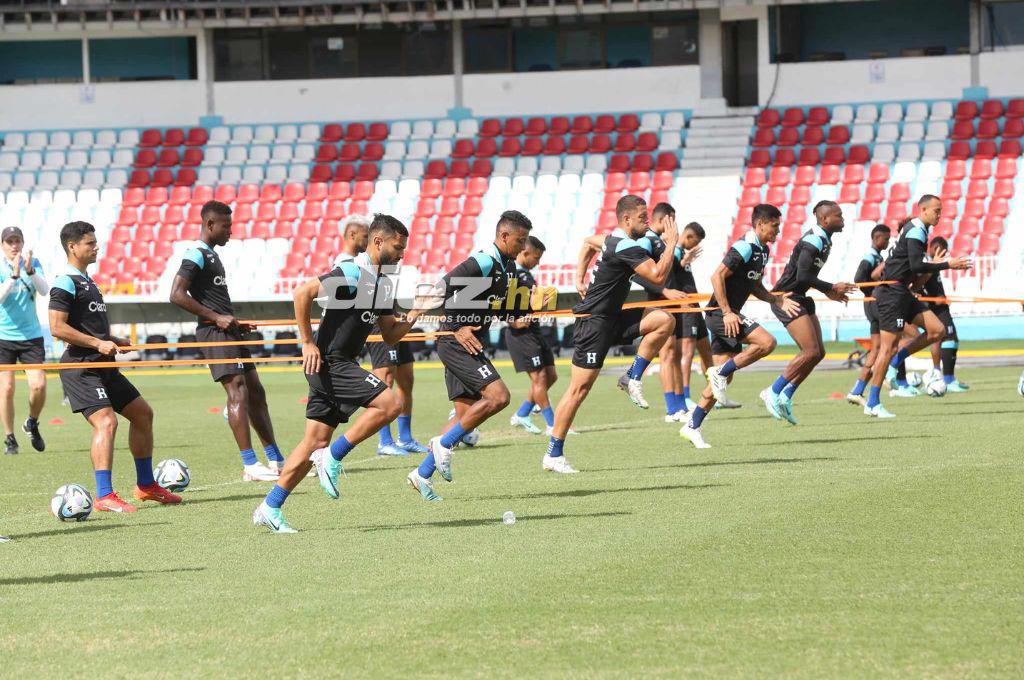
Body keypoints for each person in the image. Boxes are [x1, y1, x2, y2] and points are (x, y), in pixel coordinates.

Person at [252, 214, 422, 533]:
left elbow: (389, 335)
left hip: (336, 365)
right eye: (398, 247)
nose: (402, 254)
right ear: (377, 242)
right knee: (391, 404)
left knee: (313, 442)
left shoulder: (384, 284)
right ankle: (333, 456)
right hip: (330, 363)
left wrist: (415, 312)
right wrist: (307, 343)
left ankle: (269, 507)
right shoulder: (352, 271)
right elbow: (302, 293)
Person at [48, 221, 181, 512]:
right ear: (72, 247)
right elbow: (57, 327)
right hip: (81, 368)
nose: (96, 247)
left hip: (103, 365)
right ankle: (104, 495)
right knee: (106, 422)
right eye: (90, 243)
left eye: (95, 242)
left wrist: (111, 339)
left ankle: (146, 486)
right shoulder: (65, 281)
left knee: (143, 414)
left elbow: (86, 326)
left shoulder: (89, 281)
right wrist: (97, 343)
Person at [545, 195, 678, 472]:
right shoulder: (625, 246)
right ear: (626, 219)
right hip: (593, 324)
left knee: (664, 321)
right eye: (642, 217)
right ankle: (553, 454)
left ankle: (631, 377)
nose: (648, 222)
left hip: (613, 317)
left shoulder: (612, 240)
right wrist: (671, 244)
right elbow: (657, 277)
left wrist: (579, 278)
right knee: (578, 391)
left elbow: (587, 242)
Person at [407, 210, 532, 500]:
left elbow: (500, 308)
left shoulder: (508, 267)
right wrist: (452, 326)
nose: (523, 246)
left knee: (465, 418)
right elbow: (442, 288)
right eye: (520, 240)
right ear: (504, 236)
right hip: (456, 343)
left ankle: (421, 474)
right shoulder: (485, 260)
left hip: (470, 342)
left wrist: (524, 313)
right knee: (499, 397)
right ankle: (441, 444)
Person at [169, 200, 284, 482]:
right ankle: (250, 465)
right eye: (226, 226)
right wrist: (216, 318)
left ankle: (276, 460)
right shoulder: (196, 254)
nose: (230, 231)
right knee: (238, 392)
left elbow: (213, 301)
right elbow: (176, 294)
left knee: (256, 392)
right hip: (214, 332)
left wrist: (233, 321)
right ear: (210, 224)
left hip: (228, 331)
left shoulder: (212, 255)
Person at [680, 204, 800, 449]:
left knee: (723, 381)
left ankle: (692, 426)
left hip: (729, 315)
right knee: (767, 342)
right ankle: (719, 372)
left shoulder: (763, 250)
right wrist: (727, 313)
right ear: (760, 224)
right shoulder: (745, 246)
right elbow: (716, 276)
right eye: (775, 226)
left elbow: (754, 285)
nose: (778, 231)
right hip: (720, 314)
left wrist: (775, 299)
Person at [863, 196, 972, 418]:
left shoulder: (918, 229)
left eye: (940, 211)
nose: (939, 215)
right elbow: (915, 265)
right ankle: (872, 402)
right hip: (893, 293)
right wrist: (947, 264)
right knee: (887, 349)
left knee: (937, 330)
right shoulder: (916, 230)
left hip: (903, 292)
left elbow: (911, 267)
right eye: (936, 210)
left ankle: (895, 363)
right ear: (923, 210)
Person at [334, 215, 427, 457]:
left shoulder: (379, 271)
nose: (368, 240)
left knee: (406, 377)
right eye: (365, 236)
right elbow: (309, 295)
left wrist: (406, 313)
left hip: (389, 315)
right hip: (371, 326)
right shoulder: (347, 264)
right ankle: (384, 441)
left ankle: (405, 437)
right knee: (385, 378)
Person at [760, 201, 857, 424]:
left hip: (801, 296)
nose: (842, 219)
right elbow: (802, 275)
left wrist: (829, 292)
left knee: (818, 353)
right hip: (786, 298)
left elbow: (806, 277)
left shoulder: (824, 239)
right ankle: (772, 391)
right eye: (838, 215)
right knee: (810, 351)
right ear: (825, 219)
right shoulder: (814, 240)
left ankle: (786, 395)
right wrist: (832, 287)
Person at [626, 206, 707, 422]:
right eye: (673, 220)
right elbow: (635, 273)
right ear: (664, 219)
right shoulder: (647, 240)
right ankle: (672, 409)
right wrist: (664, 290)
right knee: (667, 356)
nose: (675, 225)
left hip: (673, 305)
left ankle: (680, 405)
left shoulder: (661, 242)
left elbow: (670, 273)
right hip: (659, 304)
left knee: (675, 355)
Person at [0, 226, 48, 455]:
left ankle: (32, 422)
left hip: (31, 337)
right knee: (6, 389)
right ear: (2, 245)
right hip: (4, 337)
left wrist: (30, 271)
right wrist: (14, 275)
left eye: (17, 240)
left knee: (38, 385)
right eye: (9, 241)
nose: (14, 245)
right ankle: (10, 438)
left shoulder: (33, 262)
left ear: (23, 242)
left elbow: (44, 290)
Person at [507, 235, 560, 435]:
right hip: (521, 335)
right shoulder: (512, 274)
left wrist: (539, 304)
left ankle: (522, 413)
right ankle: (553, 425)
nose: (538, 263)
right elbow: (497, 302)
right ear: (525, 252)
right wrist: (513, 321)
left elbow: (529, 303)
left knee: (551, 376)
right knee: (539, 379)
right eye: (536, 258)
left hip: (534, 331)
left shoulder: (525, 274)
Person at [846, 224, 891, 406]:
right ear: (876, 238)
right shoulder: (870, 257)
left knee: (877, 348)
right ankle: (890, 377)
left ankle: (857, 390)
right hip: (874, 304)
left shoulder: (877, 257)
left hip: (873, 304)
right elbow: (859, 279)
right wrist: (873, 291)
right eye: (886, 239)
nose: (887, 242)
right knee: (888, 345)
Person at [919, 236, 968, 391]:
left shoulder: (933, 264)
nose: (945, 254)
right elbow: (920, 285)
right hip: (936, 308)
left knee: (939, 338)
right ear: (935, 248)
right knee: (949, 338)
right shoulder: (927, 264)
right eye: (943, 251)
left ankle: (940, 374)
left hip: (939, 306)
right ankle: (948, 379)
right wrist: (934, 300)